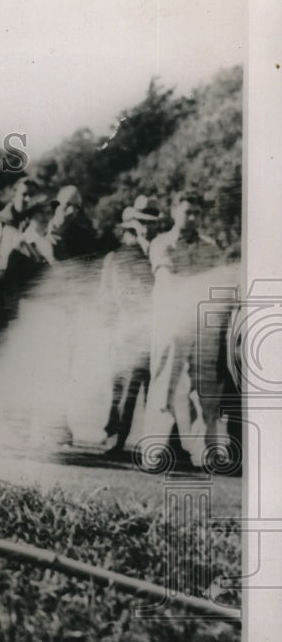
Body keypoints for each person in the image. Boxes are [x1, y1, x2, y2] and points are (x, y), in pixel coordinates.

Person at [147, 188, 224, 463]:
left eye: (197, 214)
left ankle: (209, 452)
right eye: (187, 212)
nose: (192, 218)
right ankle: (155, 449)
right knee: (164, 384)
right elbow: (166, 278)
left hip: (203, 325)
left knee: (207, 389)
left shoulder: (210, 247)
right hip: (173, 322)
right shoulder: (162, 243)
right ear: (174, 213)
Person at [99, 206, 158, 455]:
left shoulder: (158, 250)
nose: (145, 227)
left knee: (155, 386)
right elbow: (118, 294)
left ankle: (164, 442)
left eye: (150, 223)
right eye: (140, 222)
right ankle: (117, 438)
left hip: (156, 326)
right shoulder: (121, 256)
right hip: (129, 326)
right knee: (126, 386)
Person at [0, 178, 37, 368]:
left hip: (14, 293)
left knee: (8, 355)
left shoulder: (26, 224)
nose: (27, 199)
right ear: (14, 195)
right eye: (23, 194)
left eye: (30, 196)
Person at [47, 185, 99, 261]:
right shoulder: (40, 233)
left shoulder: (81, 238)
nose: (71, 211)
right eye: (68, 204)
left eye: (76, 207)